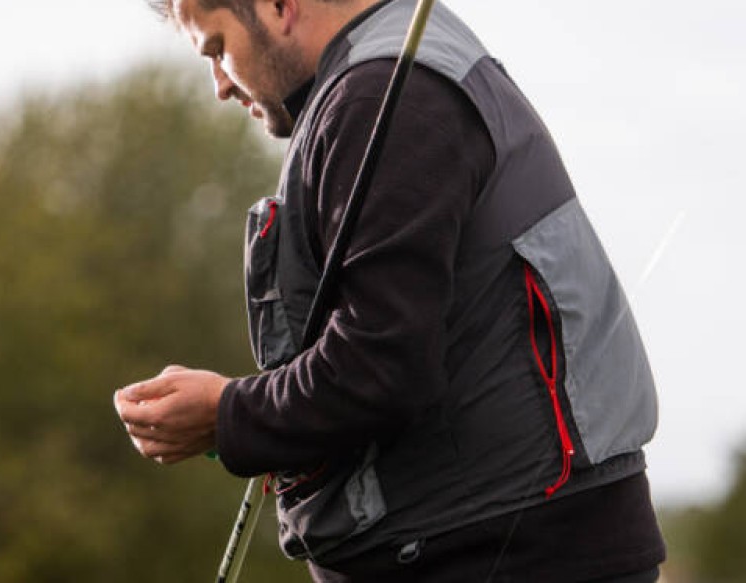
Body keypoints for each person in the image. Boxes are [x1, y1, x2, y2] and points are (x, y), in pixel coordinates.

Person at [114, 1, 665, 581]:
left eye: (218, 49)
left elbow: (381, 366)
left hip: (502, 554)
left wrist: (226, 415)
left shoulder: (385, 95)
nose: (219, 84)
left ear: (279, 6)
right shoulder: (387, 76)